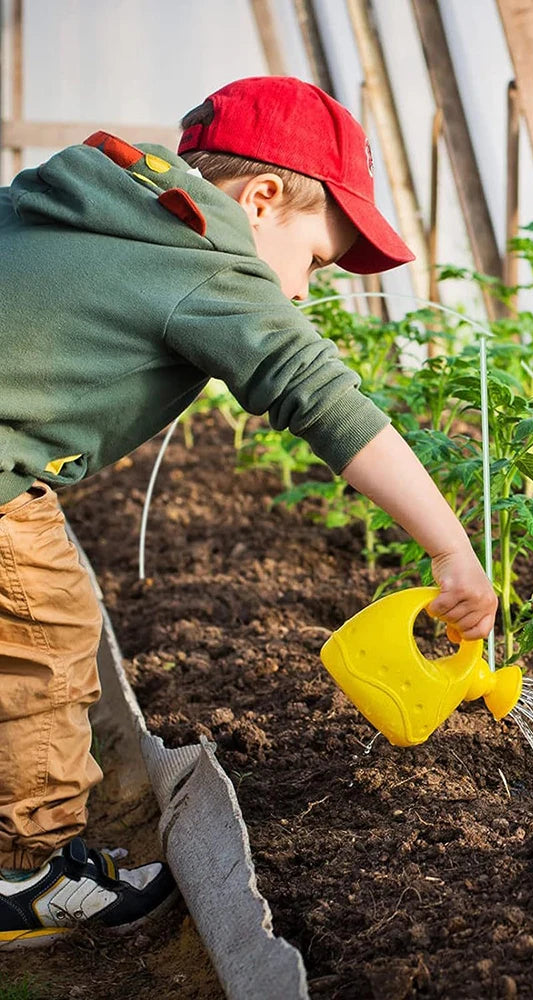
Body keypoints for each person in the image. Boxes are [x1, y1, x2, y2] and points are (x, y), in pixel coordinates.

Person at [0, 76, 497, 946]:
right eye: (315, 260)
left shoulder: (94, 204)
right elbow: (322, 398)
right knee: (44, 634)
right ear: (261, 199)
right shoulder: (205, 259)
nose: (301, 292)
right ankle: (26, 872)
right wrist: (451, 548)